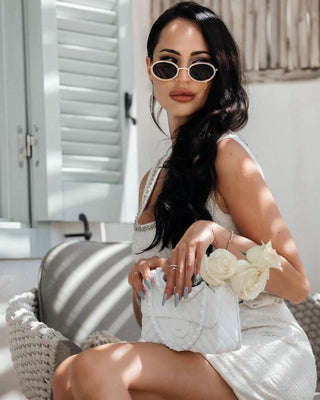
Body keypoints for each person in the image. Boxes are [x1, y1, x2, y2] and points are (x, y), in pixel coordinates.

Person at [52, 2, 317, 399]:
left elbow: (297, 285)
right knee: (66, 376)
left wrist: (216, 235)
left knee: (94, 366)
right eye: (167, 64)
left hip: (258, 353)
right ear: (149, 68)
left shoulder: (227, 156)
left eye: (200, 67)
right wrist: (141, 281)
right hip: (193, 348)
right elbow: (156, 318)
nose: (182, 78)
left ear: (216, 76)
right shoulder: (151, 179)